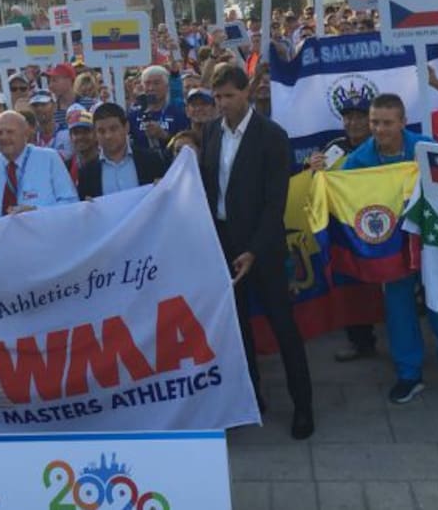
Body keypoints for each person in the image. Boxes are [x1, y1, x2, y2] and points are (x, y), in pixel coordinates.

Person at [200, 64, 313, 439]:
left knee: (284, 327)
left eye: (229, 96)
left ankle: (303, 406)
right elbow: (207, 185)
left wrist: (252, 250)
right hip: (224, 243)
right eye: (217, 97)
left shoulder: (272, 136)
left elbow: (274, 203)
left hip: (262, 247)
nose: (222, 104)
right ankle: (251, 398)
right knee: (237, 329)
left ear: (246, 93)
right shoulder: (212, 130)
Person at [342, 94, 438, 403]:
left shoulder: (425, 148)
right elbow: (343, 195)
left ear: (402, 121)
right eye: (375, 122)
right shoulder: (359, 159)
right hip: (391, 244)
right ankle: (409, 374)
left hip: (432, 239)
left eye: (387, 122)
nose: (380, 129)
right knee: (398, 308)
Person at [0, 111, 78, 219]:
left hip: (44, 233)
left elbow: (72, 203)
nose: (4, 137)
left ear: (25, 134)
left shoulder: (49, 158)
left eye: (10, 132)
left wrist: (36, 213)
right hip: (4, 234)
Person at [77, 103, 165, 198]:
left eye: (113, 129)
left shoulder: (151, 161)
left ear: (126, 127)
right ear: (95, 134)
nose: (108, 136)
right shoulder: (87, 173)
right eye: (101, 131)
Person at [128, 65, 188, 156]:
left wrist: (164, 135)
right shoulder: (133, 115)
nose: (151, 88)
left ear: (167, 86)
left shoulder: (179, 113)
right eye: (147, 83)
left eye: (156, 83)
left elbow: (186, 145)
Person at [28, 90, 71, 157]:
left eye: (43, 104)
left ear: (54, 106)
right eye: (35, 105)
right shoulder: (31, 137)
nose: (39, 109)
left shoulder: (67, 134)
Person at [66, 106, 99, 186]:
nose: (80, 137)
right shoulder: (66, 167)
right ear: (70, 137)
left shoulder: (106, 164)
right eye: (76, 133)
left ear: (96, 134)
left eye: (86, 132)